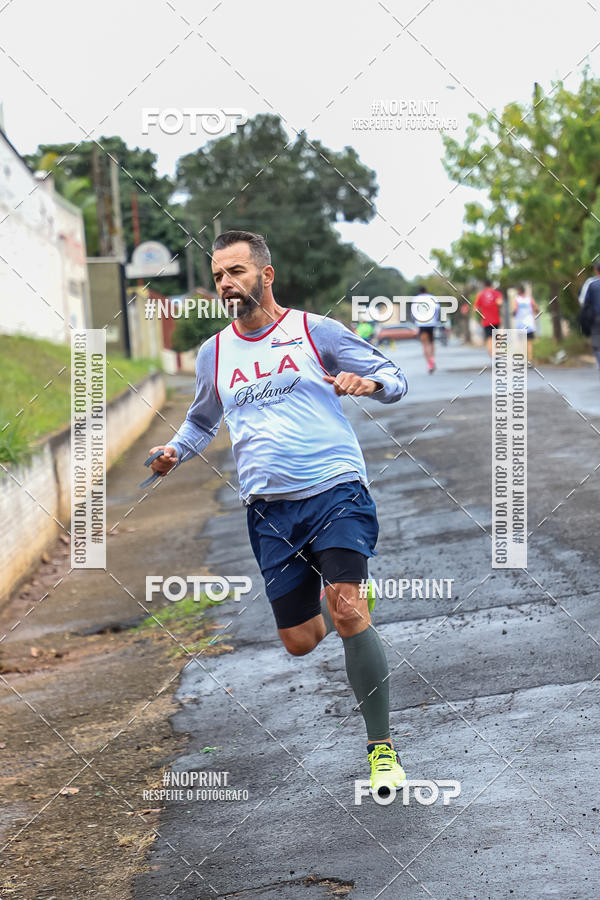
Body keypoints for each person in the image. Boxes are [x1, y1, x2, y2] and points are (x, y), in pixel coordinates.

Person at [148, 230, 409, 796]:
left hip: (335, 487)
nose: (226, 283)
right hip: (269, 509)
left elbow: (396, 379)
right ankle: (337, 586)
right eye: (218, 275)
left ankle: (381, 750)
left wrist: (368, 382)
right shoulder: (215, 352)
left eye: (236, 271)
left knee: (346, 614)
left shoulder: (316, 331)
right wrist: (175, 451)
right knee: (300, 639)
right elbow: (200, 421)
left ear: (266, 275)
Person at [412, 286, 439, 373]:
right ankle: (432, 359)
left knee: (425, 344)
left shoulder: (416, 299)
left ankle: (429, 364)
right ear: (426, 291)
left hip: (421, 324)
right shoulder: (432, 298)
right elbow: (437, 309)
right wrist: (435, 319)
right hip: (431, 323)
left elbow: (413, 313)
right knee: (431, 343)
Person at [579, 262, 600, 371]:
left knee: (596, 344)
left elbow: (584, 302)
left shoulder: (592, 284)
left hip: (596, 318)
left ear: (596, 271)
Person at [474, 279, 503, 355]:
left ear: (484, 286)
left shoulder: (480, 295)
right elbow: (500, 302)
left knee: (489, 339)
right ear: (492, 285)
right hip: (495, 320)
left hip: (486, 321)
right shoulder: (496, 293)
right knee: (496, 337)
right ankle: (497, 354)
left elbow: (475, 309)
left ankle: (492, 356)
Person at [512, 285, 540, 363]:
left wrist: (514, 313)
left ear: (518, 291)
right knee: (529, 343)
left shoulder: (516, 299)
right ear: (524, 291)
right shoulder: (529, 299)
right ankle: (530, 360)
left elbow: (514, 310)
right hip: (529, 324)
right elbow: (537, 308)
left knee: (521, 343)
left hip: (520, 325)